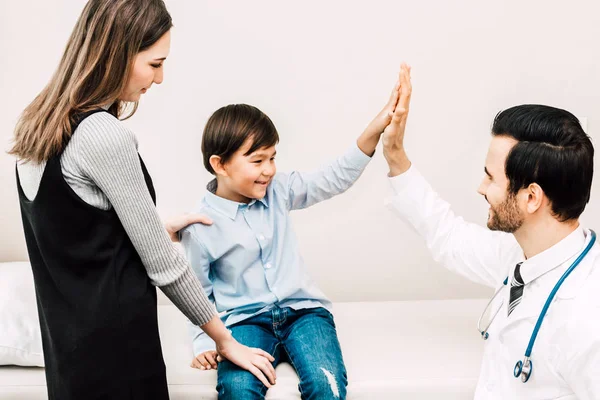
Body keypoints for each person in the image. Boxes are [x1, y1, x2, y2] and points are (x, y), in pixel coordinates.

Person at [10, 1, 275, 399]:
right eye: (155, 63)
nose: (161, 77)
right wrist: (225, 341)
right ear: (117, 52)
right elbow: (164, 267)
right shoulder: (103, 135)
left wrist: (155, 228)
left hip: (69, 359)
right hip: (119, 358)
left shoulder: (38, 123)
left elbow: (64, 235)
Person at [382, 64, 599, 399]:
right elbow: (449, 236)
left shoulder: (587, 318)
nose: (481, 188)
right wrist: (395, 155)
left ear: (531, 197)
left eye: (491, 177)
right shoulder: (523, 255)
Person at [179, 82, 401, 399]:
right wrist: (204, 343)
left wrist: (376, 127)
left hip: (304, 315)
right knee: (237, 389)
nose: (269, 170)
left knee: (327, 384)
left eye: (272, 158)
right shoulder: (199, 226)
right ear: (220, 164)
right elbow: (197, 293)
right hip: (244, 322)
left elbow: (334, 177)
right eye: (257, 161)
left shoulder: (279, 190)